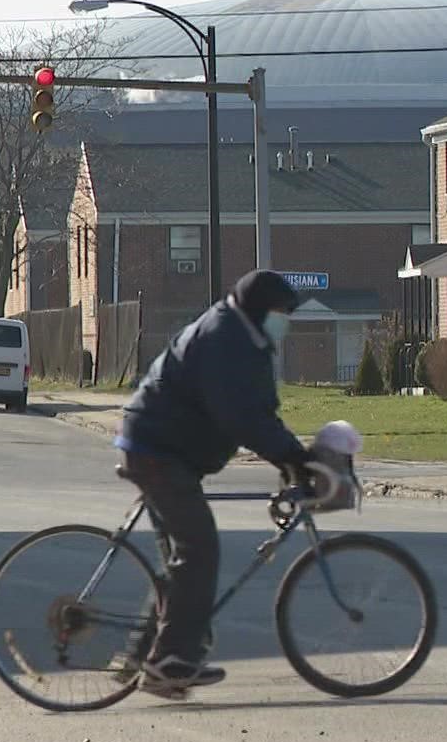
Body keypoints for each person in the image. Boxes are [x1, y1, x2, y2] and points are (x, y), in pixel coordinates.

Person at [115, 269, 315, 699]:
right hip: (157, 452)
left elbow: (261, 413)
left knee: (180, 562)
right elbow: (238, 415)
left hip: (163, 450)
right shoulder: (227, 338)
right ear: (261, 309)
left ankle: (142, 657)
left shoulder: (246, 340)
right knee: (198, 549)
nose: (285, 321)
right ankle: (171, 662)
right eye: (282, 312)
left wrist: (292, 456)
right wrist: (293, 458)